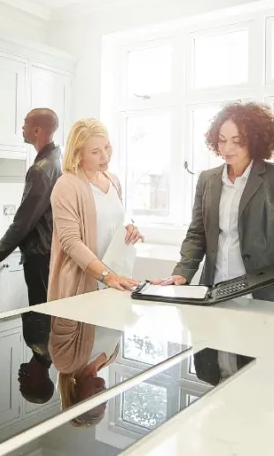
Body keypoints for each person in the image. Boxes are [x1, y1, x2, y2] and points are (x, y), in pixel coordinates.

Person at [154, 101, 274, 301]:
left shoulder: (271, 179)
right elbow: (197, 232)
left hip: (261, 292)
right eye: (222, 140)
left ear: (254, 141)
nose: (227, 148)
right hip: (214, 287)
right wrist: (182, 272)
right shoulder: (207, 179)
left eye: (237, 141)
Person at [0, 108, 62, 334]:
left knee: (41, 319)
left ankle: (42, 356)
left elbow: (23, 223)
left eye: (25, 124)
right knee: (49, 316)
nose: (22, 128)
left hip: (40, 255)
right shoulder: (56, 160)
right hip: (51, 251)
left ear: (37, 130)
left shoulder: (41, 170)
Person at [47, 117, 142, 304]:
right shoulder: (66, 186)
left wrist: (127, 230)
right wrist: (107, 276)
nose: (105, 156)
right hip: (82, 285)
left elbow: (106, 223)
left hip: (114, 283)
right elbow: (71, 242)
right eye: (95, 152)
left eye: (107, 147)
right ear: (79, 154)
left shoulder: (113, 180)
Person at [50, 316, 121, 427]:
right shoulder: (111, 358)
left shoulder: (65, 362)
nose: (102, 395)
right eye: (103, 403)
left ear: (76, 394)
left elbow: (66, 313)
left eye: (95, 401)